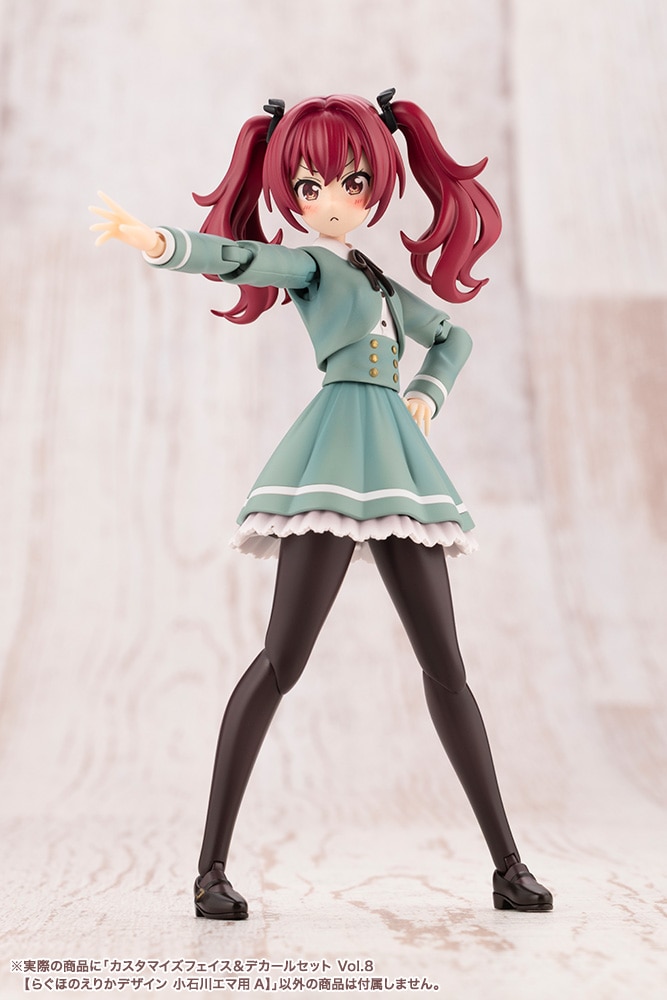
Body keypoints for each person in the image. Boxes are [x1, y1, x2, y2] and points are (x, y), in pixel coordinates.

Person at [90, 89, 553, 917]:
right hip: (335, 455)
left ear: (376, 185)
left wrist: (426, 394)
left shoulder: (379, 280)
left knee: (445, 667)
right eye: (309, 187)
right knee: (283, 659)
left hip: (397, 464)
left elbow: (452, 336)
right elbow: (242, 259)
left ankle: (507, 866)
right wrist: (157, 241)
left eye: (350, 183)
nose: (330, 201)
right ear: (291, 195)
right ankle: (209, 870)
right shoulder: (312, 266)